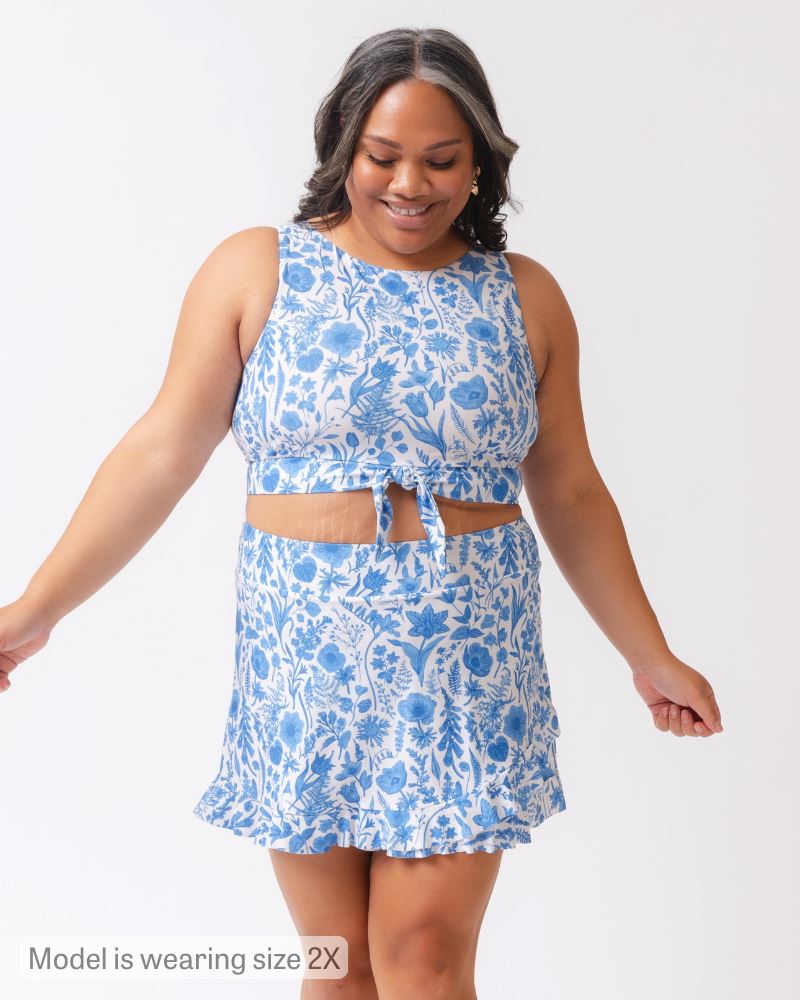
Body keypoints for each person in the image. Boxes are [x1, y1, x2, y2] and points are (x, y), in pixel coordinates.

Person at [0, 25, 724, 1000]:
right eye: (383, 157)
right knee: (337, 966)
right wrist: (35, 608)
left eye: (442, 160)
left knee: (422, 957)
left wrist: (649, 653)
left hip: (464, 655)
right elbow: (159, 452)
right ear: (341, 147)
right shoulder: (256, 270)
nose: (409, 185)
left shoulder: (523, 296)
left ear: (481, 163)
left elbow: (568, 487)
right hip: (305, 655)